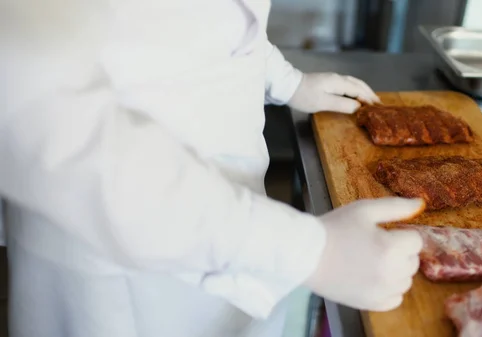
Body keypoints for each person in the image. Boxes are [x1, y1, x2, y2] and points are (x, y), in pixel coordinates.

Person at [0, 1, 425, 336]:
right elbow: (45, 122)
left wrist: (286, 80)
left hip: (237, 225)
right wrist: (308, 251)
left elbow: (204, 20)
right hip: (116, 254)